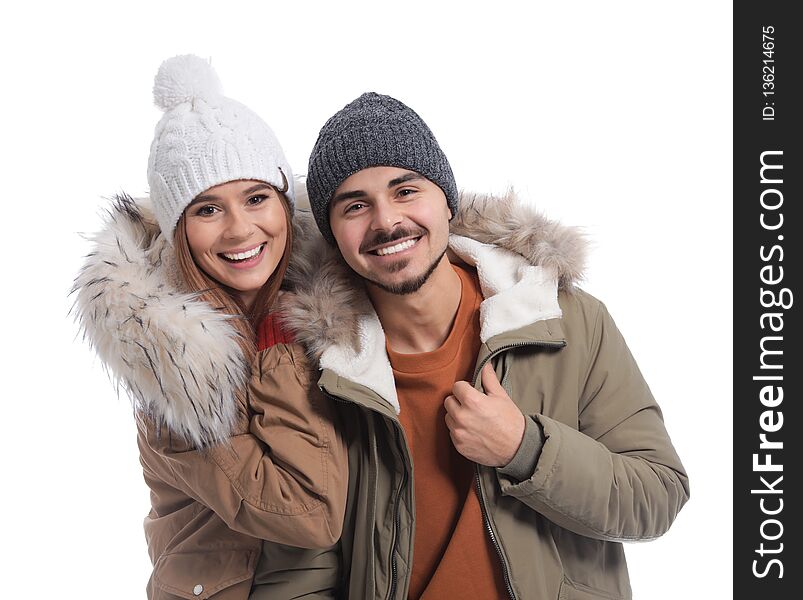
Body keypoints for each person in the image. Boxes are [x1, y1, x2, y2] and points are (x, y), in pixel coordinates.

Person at [280, 92, 691, 599]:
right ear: (333, 234)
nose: (386, 221)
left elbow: (656, 496)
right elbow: (300, 563)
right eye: (355, 206)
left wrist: (526, 449)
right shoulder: (317, 369)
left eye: (405, 190)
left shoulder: (565, 319)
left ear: (446, 200)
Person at [72, 55, 348, 599]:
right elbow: (309, 513)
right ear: (179, 230)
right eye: (207, 210)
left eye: (256, 198)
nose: (240, 229)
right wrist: (278, 350)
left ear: (285, 204)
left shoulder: (324, 299)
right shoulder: (170, 362)